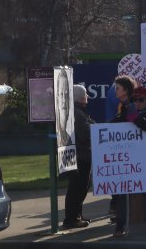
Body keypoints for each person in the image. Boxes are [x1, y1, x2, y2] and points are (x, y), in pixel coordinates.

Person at [111, 80, 146, 237]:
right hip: (126, 162)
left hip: (145, 161)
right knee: (122, 195)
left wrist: (136, 119)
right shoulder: (124, 114)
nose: (138, 102)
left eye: (141, 99)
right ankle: (120, 225)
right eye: (135, 99)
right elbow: (112, 128)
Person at [63, 84, 95, 229]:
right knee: (78, 187)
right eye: (85, 95)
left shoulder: (77, 111)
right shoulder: (78, 113)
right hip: (80, 155)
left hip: (76, 154)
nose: (87, 97)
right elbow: (85, 133)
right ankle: (72, 218)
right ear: (79, 98)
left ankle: (76, 215)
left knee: (78, 187)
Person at [55, 71, 74, 147]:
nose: (63, 100)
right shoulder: (58, 136)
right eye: (61, 94)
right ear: (57, 97)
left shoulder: (70, 137)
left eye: (66, 95)